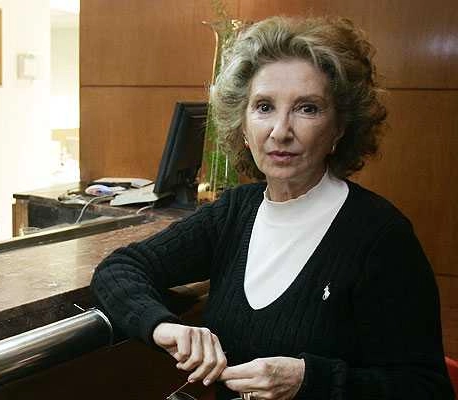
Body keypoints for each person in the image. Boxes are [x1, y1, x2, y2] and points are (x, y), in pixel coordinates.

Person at [90, 16, 454, 399]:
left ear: (340, 128)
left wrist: (308, 381)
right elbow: (119, 269)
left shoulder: (380, 237)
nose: (280, 131)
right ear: (244, 128)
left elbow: (427, 390)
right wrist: (164, 327)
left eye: (307, 108)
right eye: (264, 107)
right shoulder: (234, 212)